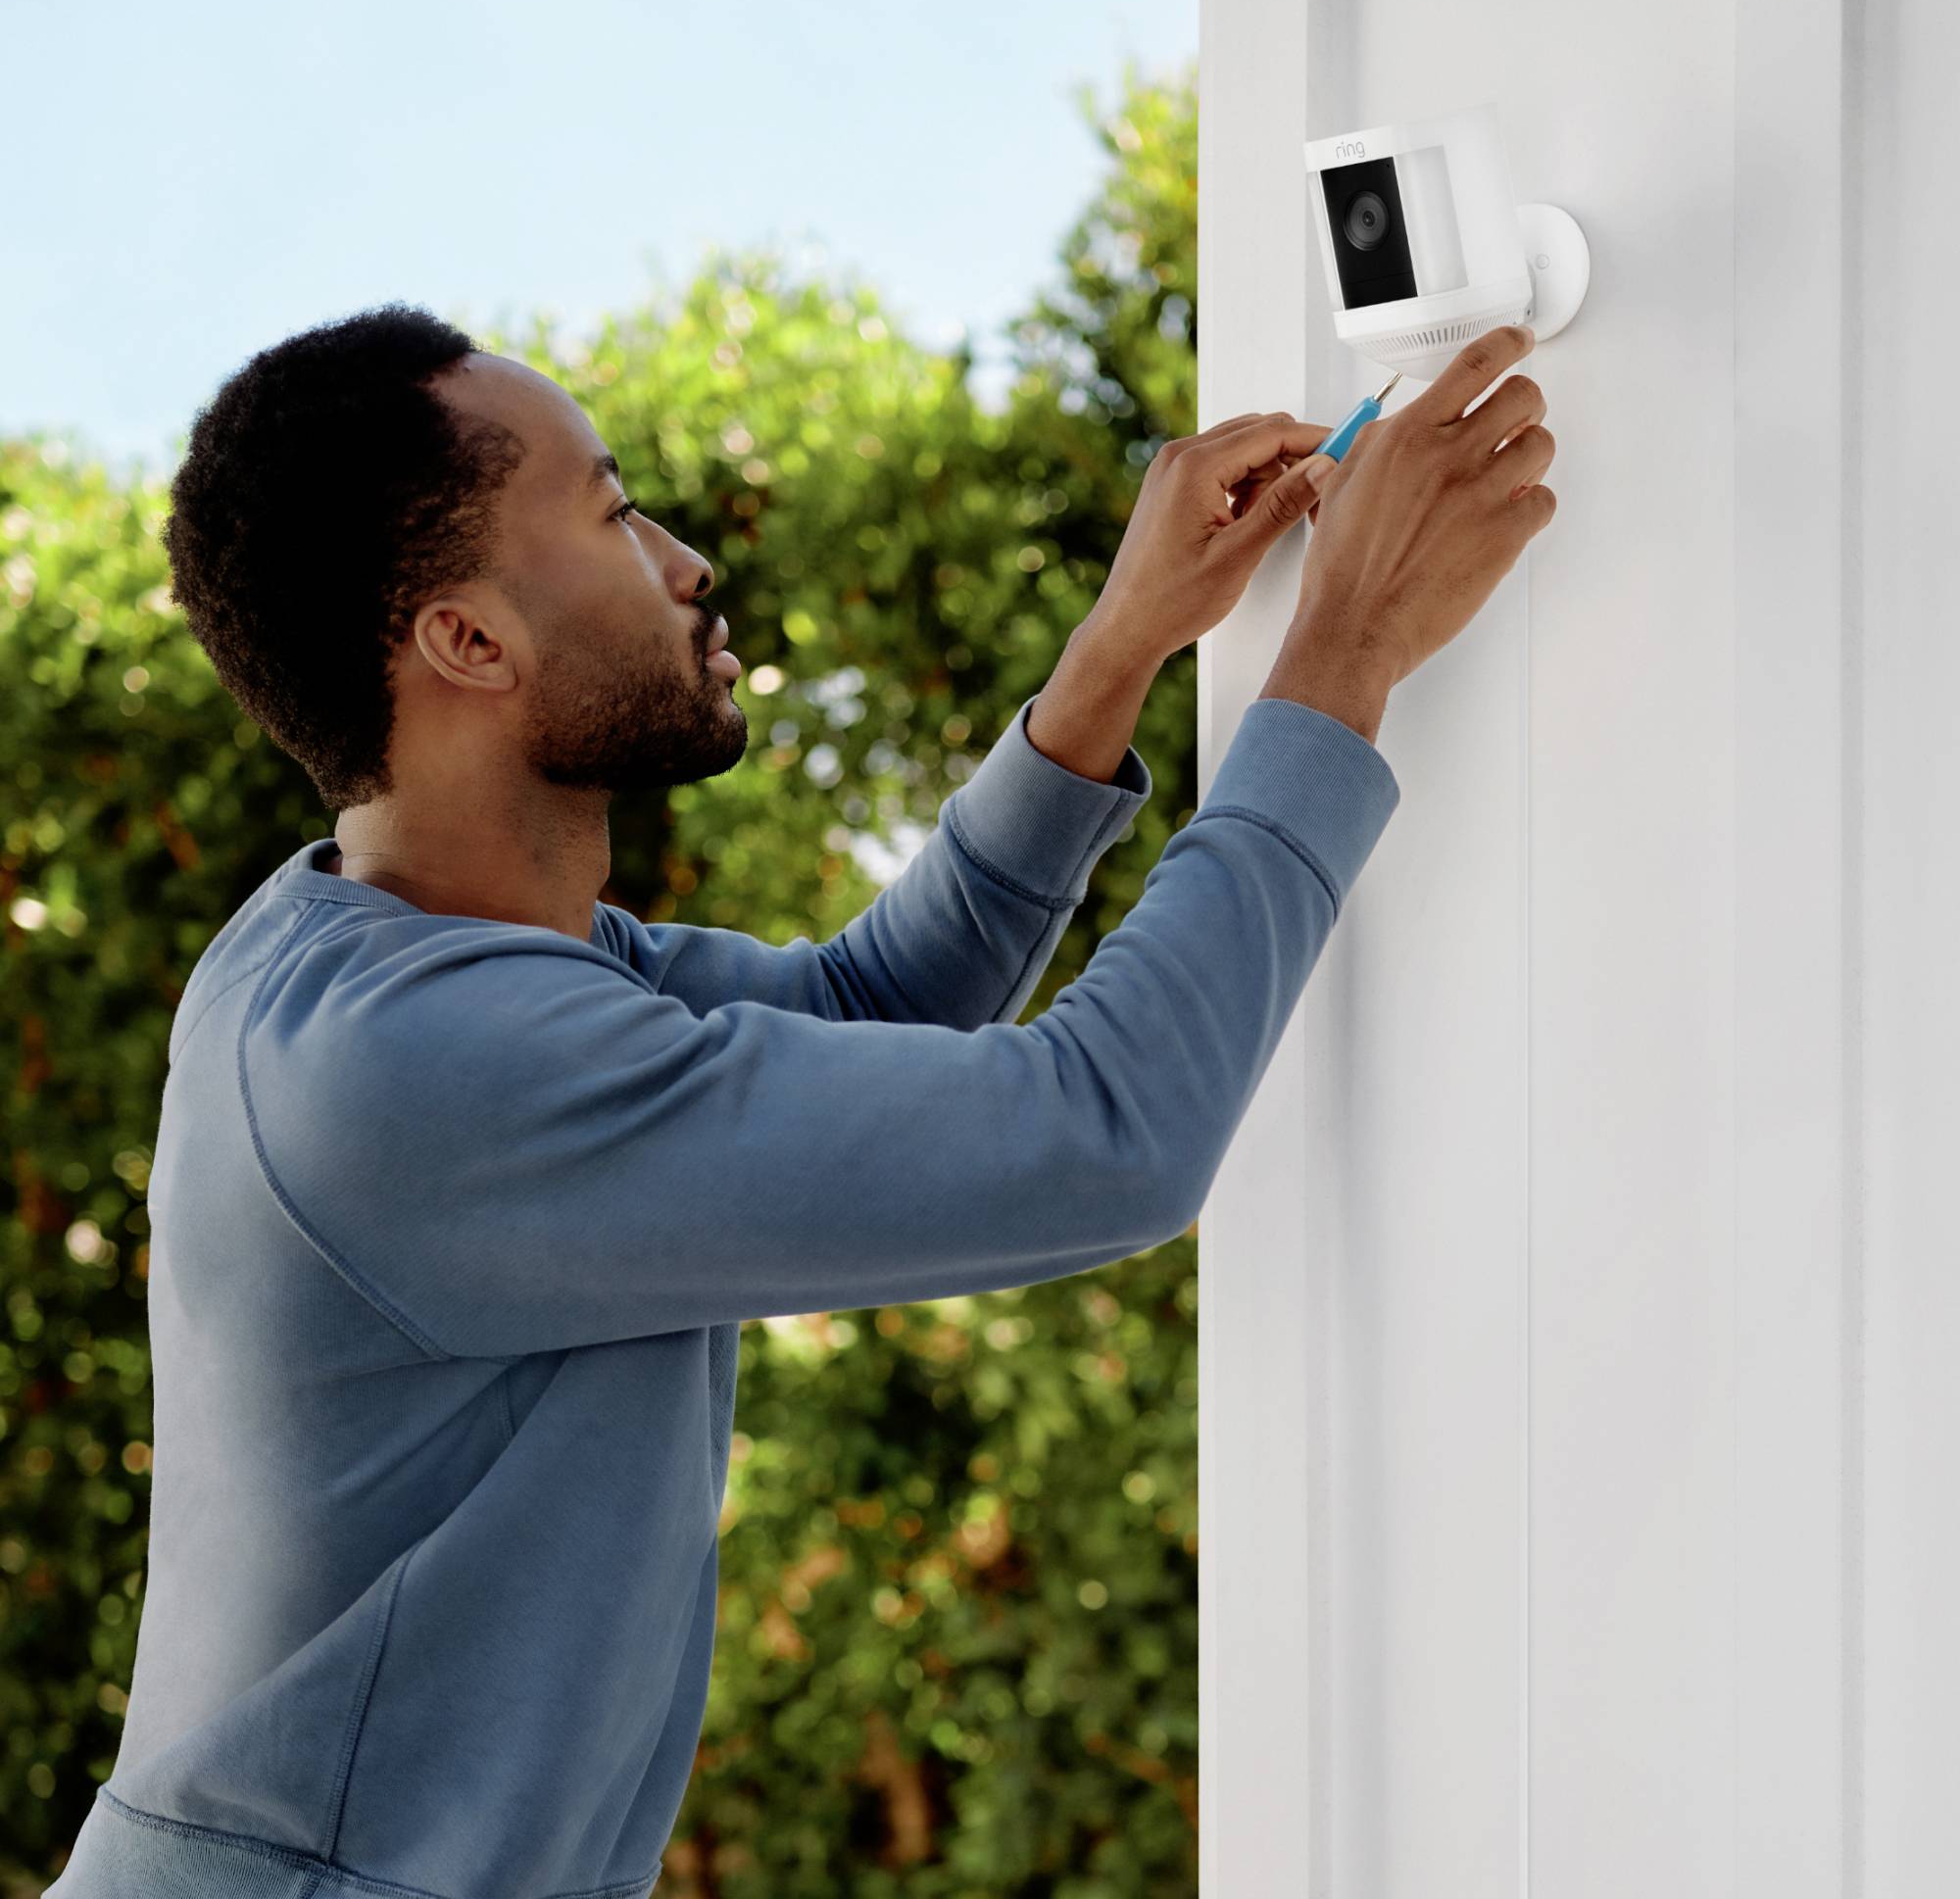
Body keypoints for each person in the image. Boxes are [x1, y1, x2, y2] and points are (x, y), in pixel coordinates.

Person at [47, 305, 1553, 1896]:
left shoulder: (424, 954)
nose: (686, 559)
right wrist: (1339, 661)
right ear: (467, 644)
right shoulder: (403, 1068)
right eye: (617, 513)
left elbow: (858, 1015)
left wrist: (1117, 651)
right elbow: (1105, 1136)